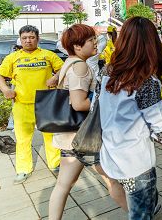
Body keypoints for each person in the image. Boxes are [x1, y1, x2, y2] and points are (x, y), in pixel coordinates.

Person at [98, 17, 162, 219]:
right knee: (141, 214)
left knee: (139, 204)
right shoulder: (145, 80)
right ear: (152, 43)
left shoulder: (107, 72)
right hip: (136, 162)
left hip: (110, 154)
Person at [48, 24, 127, 219]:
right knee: (113, 179)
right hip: (85, 137)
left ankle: (139, 212)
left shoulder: (69, 61)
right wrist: (104, 98)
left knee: (63, 185)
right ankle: (139, 213)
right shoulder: (80, 66)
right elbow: (79, 103)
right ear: (77, 46)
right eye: (91, 40)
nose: (95, 43)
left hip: (71, 136)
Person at [0, 25, 63, 184]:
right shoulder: (13, 58)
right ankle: (23, 169)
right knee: (23, 139)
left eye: (31, 37)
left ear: (37, 39)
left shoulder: (48, 55)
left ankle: (55, 164)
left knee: (51, 136)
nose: (28, 40)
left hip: (45, 102)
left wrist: (55, 77)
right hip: (22, 104)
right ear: (20, 39)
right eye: (24, 38)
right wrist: (5, 90)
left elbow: (64, 68)